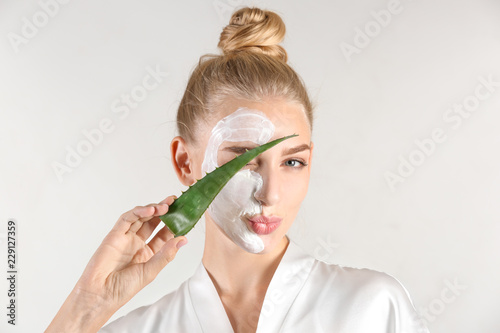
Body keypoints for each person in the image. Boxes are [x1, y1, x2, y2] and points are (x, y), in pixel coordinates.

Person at [47, 7, 429, 333]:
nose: (271, 193)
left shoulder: (373, 310)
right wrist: (87, 307)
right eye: (243, 160)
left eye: (292, 162)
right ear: (185, 161)